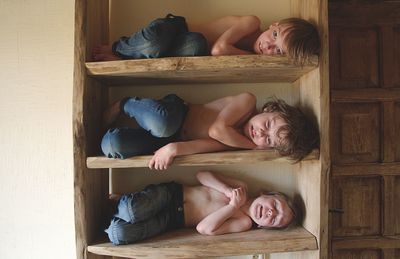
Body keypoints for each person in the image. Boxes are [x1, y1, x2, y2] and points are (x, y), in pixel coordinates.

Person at [101, 92, 319, 170]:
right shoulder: (247, 101)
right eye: (269, 125)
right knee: (162, 122)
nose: (262, 134)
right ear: (270, 109)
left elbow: (201, 145)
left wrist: (173, 148)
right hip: (177, 114)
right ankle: (124, 103)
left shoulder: (232, 145)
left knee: (113, 145)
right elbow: (217, 130)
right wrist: (253, 146)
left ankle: (111, 136)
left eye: (269, 141)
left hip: (166, 141)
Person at [105, 171, 298, 245]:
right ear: (266, 194)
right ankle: (123, 204)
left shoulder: (243, 222)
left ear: (264, 227)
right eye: (275, 206)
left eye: (274, 219)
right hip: (171, 195)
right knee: (133, 211)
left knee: (117, 233)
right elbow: (201, 175)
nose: (271, 213)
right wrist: (227, 190)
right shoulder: (241, 187)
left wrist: (232, 207)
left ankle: (120, 209)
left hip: (173, 221)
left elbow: (203, 229)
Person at [93, 14, 320, 65]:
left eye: (278, 51)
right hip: (174, 29)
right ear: (274, 25)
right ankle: (119, 48)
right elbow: (219, 49)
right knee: (157, 40)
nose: (268, 45)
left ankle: (125, 56)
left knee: (196, 46)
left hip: (188, 47)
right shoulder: (252, 22)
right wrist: (257, 58)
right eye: (274, 36)